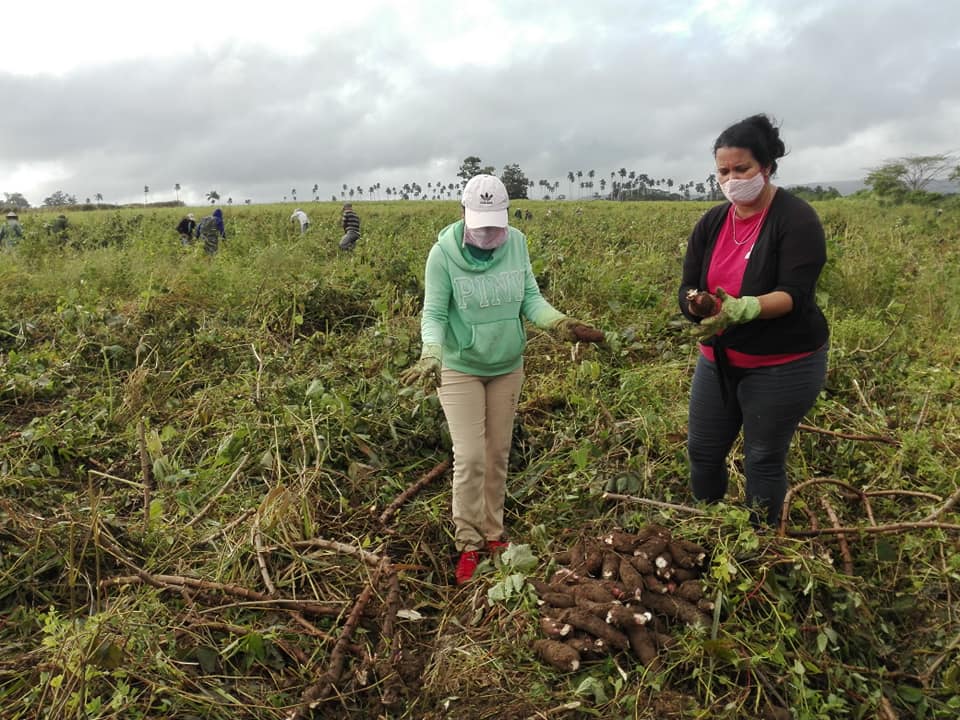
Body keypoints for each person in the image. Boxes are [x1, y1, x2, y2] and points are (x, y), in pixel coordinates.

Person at [401, 174, 600, 585]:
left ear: (506, 215)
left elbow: (530, 298)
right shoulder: (442, 256)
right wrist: (431, 355)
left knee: (497, 453)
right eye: (481, 224)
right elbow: (434, 315)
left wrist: (560, 324)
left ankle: (493, 533)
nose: (490, 233)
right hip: (459, 367)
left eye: (496, 223)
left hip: (507, 364)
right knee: (470, 456)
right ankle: (468, 542)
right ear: (463, 215)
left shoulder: (518, 243)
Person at [678, 113, 829, 526]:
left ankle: (760, 542)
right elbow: (687, 285)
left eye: (741, 169)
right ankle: (710, 529)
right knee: (703, 451)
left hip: (783, 364)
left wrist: (742, 308)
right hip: (719, 361)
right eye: (722, 171)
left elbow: (794, 296)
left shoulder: (795, 219)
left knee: (762, 457)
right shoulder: (711, 223)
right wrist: (696, 305)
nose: (731, 179)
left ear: (765, 166)